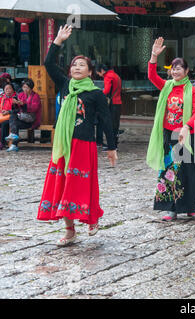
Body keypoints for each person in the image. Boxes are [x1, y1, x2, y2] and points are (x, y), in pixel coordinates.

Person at [37, 24, 118, 246]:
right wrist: (58, 41)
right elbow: (48, 64)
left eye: (82, 65)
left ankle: (91, 218)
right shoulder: (65, 85)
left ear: (90, 72)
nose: (76, 68)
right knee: (63, 184)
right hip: (64, 144)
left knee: (82, 184)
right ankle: (70, 230)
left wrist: (111, 148)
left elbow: (106, 121)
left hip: (84, 145)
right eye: (74, 65)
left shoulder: (95, 94)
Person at [146, 37, 195, 221]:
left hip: (187, 136)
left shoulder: (192, 90)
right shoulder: (167, 86)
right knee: (170, 169)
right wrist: (154, 56)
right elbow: (152, 76)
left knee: (189, 172)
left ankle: (190, 206)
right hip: (169, 135)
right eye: (173, 68)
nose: (175, 70)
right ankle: (171, 208)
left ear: (186, 71)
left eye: (179, 67)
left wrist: (186, 126)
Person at [4, 78, 42, 152]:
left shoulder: (35, 96)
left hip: (31, 120)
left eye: (26, 87)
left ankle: (13, 137)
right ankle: (14, 145)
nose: (24, 89)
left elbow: (34, 108)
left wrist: (23, 104)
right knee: (15, 123)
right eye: (23, 87)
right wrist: (15, 104)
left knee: (13, 116)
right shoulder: (21, 95)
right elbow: (17, 109)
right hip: (23, 119)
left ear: (31, 88)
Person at [95, 63, 122, 149]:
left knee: (110, 125)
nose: (99, 75)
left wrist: (98, 96)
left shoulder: (108, 76)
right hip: (118, 102)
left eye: (98, 73)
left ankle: (112, 146)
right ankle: (115, 144)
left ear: (102, 70)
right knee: (115, 125)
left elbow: (106, 90)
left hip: (113, 103)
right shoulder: (115, 75)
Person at [0, 83, 17, 150]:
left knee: (4, 124)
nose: (8, 90)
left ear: (13, 89)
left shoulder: (15, 98)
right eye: (6, 89)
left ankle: (2, 143)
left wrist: (8, 111)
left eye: (9, 88)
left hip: (12, 117)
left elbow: (17, 110)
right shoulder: (2, 98)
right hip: (2, 116)